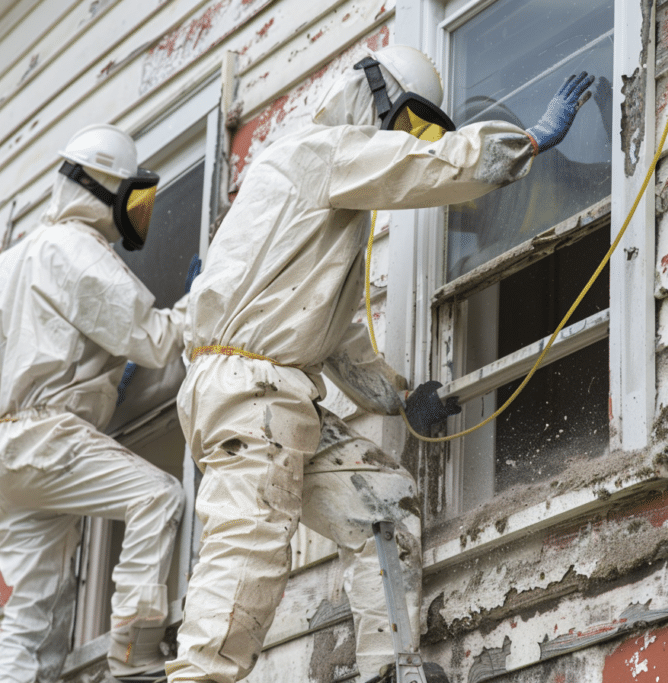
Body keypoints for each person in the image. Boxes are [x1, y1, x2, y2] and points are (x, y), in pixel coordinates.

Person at [164, 44, 594, 683]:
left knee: (381, 502)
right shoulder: (319, 152)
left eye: (416, 132)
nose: (406, 141)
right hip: (250, 390)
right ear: (376, 97)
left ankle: (388, 670)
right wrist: (523, 143)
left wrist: (398, 396)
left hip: (279, 395)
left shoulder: (318, 201)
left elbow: (338, 343)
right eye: (410, 124)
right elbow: (425, 165)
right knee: (249, 543)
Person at [0, 124, 187, 682]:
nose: (135, 215)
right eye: (132, 200)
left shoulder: (9, 264)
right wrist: (204, 302)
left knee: (31, 609)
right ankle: (134, 654)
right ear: (104, 192)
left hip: (1, 451)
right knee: (157, 498)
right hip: (48, 438)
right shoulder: (76, 251)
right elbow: (158, 339)